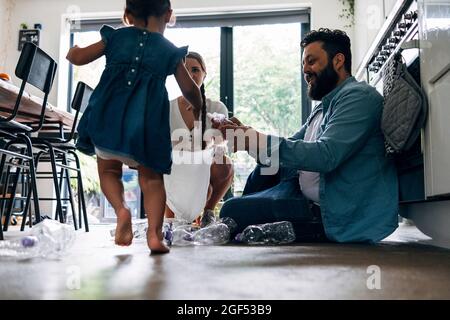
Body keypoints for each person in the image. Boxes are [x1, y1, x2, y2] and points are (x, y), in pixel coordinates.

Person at [216, 28, 399, 243]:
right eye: (304, 64)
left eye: (311, 61)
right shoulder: (323, 107)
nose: (306, 71)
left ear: (338, 61)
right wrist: (245, 136)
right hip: (299, 191)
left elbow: (326, 156)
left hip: (330, 210)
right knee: (263, 170)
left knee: (232, 211)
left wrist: (256, 139)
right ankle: (253, 218)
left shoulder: (360, 98)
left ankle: (292, 227)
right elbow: (286, 150)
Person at [66, 0, 203, 253]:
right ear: (169, 15)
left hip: (107, 119)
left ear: (127, 15)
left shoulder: (115, 38)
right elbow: (188, 89)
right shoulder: (169, 51)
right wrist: (197, 105)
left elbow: (79, 58)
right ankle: (154, 236)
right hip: (146, 126)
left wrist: (72, 50)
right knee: (152, 180)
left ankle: (121, 210)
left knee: (108, 171)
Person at [165, 52, 234, 226]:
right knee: (173, 225)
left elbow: (219, 149)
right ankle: (176, 214)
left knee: (224, 164)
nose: (190, 74)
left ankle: (208, 212)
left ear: (204, 74)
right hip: (174, 171)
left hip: (204, 168)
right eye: (185, 70)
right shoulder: (166, 108)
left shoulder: (217, 108)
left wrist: (199, 115)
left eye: (195, 69)